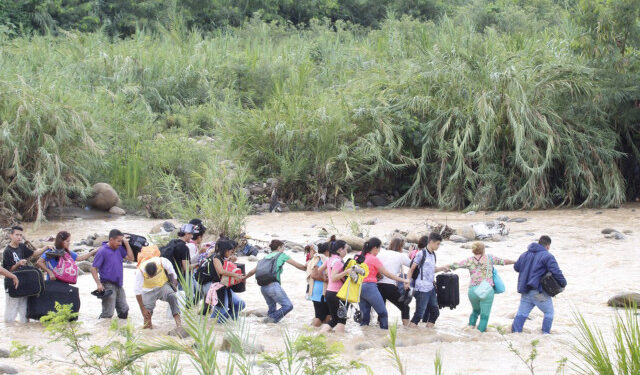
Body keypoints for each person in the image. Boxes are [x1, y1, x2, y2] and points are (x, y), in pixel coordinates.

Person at [443, 242, 515, 332]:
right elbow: (504, 261)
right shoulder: (489, 258)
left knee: (475, 311)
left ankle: (469, 328)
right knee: (484, 315)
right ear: (483, 250)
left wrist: (445, 267)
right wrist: (515, 261)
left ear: (473, 250)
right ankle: (479, 334)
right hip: (486, 290)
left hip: (472, 291)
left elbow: (456, 265)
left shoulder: (469, 260)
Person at [511, 236, 566, 334]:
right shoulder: (548, 256)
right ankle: (545, 335)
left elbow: (516, 267)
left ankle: (515, 334)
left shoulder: (524, 254)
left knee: (521, 314)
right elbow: (556, 272)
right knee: (549, 313)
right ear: (548, 246)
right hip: (539, 291)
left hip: (525, 290)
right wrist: (563, 283)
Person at [244, 240, 306, 323]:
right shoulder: (282, 255)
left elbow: (252, 271)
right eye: (283, 247)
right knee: (288, 306)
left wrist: (244, 278)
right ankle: (266, 321)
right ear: (279, 247)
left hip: (263, 288)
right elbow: (300, 266)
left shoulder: (265, 257)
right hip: (273, 286)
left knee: (272, 310)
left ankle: (268, 328)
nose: (284, 249)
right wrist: (310, 267)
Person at [358, 237, 410, 330]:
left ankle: (367, 335)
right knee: (388, 311)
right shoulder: (375, 258)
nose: (378, 251)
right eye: (378, 248)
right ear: (375, 248)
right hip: (375, 287)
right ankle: (393, 332)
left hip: (366, 287)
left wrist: (378, 275)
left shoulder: (363, 256)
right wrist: (404, 280)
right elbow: (388, 274)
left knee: (366, 315)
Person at [3, 225, 47, 323]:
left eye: (21, 235)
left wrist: (46, 247)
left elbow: (34, 253)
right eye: (17, 235)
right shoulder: (7, 251)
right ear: (11, 235)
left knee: (24, 309)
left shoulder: (22, 246)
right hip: (11, 284)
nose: (19, 237)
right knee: (11, 310)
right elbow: (8, 270)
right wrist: (18, 264)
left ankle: (24, 330)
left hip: (23, 282)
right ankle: (9, 331)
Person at [91, 229, 134, 319]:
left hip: (119, 284)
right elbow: (93, 268)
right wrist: (98, 284)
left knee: (124, 311)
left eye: (121, 241)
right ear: (111, 240)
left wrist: (126, 243)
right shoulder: (102, 251)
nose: (120, 243)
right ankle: (102, 330)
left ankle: (120, 331)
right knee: (108, 314)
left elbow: (131, 258)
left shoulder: (119, 249)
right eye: (118, 241)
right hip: (107, 285)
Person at [408, 233, 446, 328]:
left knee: (435, 313)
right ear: (431, 242)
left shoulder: (433, 255)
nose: (438, 246)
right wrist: (407, 283)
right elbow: (411, 269)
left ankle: (427, 334)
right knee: (419, 315)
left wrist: (442, 268)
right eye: (437, 244)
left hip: (431, 288)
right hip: (421, 289)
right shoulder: (421, 254)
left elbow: (431, 269)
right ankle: (409, 333)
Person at [200, 240, 245, 322]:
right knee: (221, 310)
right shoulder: (216, 258)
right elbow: (221, 271)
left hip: (225, 287)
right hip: (218, 288)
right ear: (225, 250)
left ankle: (228, 323)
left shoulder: (224, 258)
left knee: (240, 304)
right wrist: (235, 275)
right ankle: (218, 324)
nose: (232, 252)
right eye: (230, 251)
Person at [135, 255, 181, 329]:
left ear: (157, 268)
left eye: (154, 275)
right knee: (147, 312)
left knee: (172, 296)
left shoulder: (163, 262)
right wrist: (143, 309)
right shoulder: (139, 271)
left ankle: (179, 326)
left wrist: (174, 288)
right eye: (150, 276)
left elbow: (173, 275)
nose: (152, 277)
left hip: (162, 286)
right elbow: (137, 292)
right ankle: (148, 331)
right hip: (147, 290)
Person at [319, 239, 352, 333]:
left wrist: (326, 277)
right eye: (345, 249)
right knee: (341, 320)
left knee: (334, 320)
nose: (346, 251)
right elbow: (333, 278)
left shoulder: (330, 259)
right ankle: (340, 343)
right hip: (339, 294)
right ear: (339, 250)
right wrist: (346, 272)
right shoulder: (338, 261)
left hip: (329, 292)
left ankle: (320, 335)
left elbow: (320, 270)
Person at [377, 237, 412, 326]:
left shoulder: (381, 253)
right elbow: (412, 265)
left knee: (382, 309)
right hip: (389, 285)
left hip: (377, 285)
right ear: (401, 246)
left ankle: (378, 328)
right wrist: (411, 254)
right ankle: (406, 329)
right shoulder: (401, 255)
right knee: (405, 307)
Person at [307, 241, 330, 327]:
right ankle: (311, 332)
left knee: (327, 315)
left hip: (318, 291)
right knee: (320, 317)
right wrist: (326, 279)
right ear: (327, 251)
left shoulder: (316, 258)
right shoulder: (321, 259)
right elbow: (314, 274)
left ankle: (324, 333)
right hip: (320, 292)